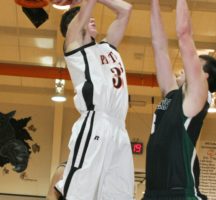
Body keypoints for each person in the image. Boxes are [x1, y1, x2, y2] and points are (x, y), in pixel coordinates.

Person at [143, 0, 216, 199]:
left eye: (196, 65)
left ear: (204, 76)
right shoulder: (171, 93)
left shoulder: (198, 96)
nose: (184, 67)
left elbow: (184, 35)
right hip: (153, 193)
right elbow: (159, 46)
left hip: (180, 193)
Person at [53, 0, 134, 199]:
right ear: (73, 27)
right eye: (86, 18)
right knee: (80, 192)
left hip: (119, 130)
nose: (92, 18)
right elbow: (80, 16)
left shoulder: (108, 47)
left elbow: (126, 9)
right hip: (95, 123)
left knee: (118, 194)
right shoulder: (74, 47)